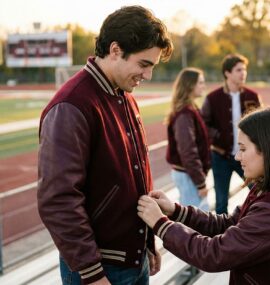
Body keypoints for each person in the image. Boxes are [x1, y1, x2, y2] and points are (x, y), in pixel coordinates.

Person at [37, 6, 173, 285]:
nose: (147, 75)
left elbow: (133, 177)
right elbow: (58, 200)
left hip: (132, 260)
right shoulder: (71, 105)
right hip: (100, 270)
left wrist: (146, 244)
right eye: (144, 64)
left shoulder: (124, 95)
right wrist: (91, 272)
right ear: (115, 50)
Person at [137, 107, 270, 285]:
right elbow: (230, 224)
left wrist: (161, 224)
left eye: (242, 149)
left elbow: (213, 254)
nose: (237, 156)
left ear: (268, 150)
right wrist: (176, 211)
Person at [201, 53, 262, 214]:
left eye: (244, 69)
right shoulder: (213, 98)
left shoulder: (252, 96)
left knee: (258, 192)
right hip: (221, 157)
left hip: (247, 155)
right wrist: (218, 136)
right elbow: (203, 124)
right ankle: (222, 237)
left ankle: (255, 225)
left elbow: (263, 123)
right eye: (238, 70)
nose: (243, 73)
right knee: (221, 201)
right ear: (227, 73)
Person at [165, 68, 211, 211]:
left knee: (195, 217)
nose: (204, 86)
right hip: (188, 175)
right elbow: (188, 151)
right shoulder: (185, 114)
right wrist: (200, 183)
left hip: (189, 174)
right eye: (201, 83)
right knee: (197, 221)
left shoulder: (191, 108)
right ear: (190, 85)